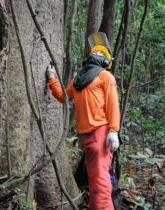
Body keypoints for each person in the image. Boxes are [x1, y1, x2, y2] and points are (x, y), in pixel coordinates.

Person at [46, 32, 120, 209]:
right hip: (91, 137)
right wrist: (52, 79)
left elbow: (112, 106)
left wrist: (113, 131)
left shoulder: (101, 77)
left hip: (100, 135)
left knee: (100, 182)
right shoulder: (81, 79)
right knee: (96, 181)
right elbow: (63, 96)